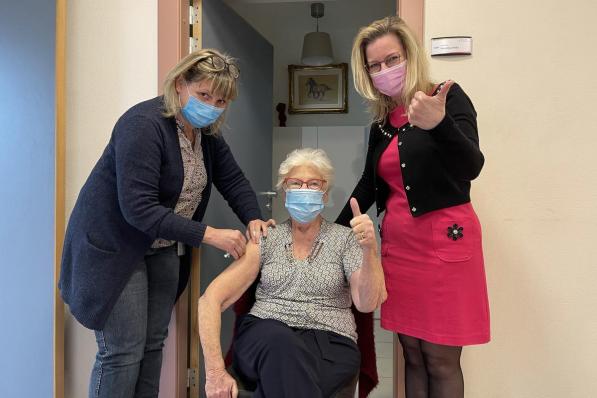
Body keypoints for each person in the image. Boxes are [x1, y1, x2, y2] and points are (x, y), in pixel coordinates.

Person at [59, 48, 274, 398]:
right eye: (204, 95)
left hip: (161, 249)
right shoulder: (142, 125)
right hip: (115, 249)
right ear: (179, 85)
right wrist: (209, 234)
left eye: (221, 100)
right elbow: (139, 209)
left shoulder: (206, 133)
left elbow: (233, 180)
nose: (212, 105)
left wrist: (253, 218)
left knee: (153, 344)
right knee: (123, 352)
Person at [336, 16, 490, 398]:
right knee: (413, 354)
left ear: (411, 56)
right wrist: (329, 234)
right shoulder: (381, 125)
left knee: (440, 357)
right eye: (375, 65)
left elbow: (472, 166)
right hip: (399, 250)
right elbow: (367, 186)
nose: (384, 71)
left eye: (392, 59)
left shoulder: (447, 96)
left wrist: (439, 125)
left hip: (446, 246)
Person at [198, 148, 387, 398]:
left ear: (325, 192)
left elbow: (366, 303)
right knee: (281, 342)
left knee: (288, 367)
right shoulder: (266, 239)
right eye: (295, 183)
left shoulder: (346, 240)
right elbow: (209, 300)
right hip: (265, 336)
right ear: (285, 191)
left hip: (330, 344)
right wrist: (214, 373)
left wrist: (369, 250)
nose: (304, 189)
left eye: (313, 184)